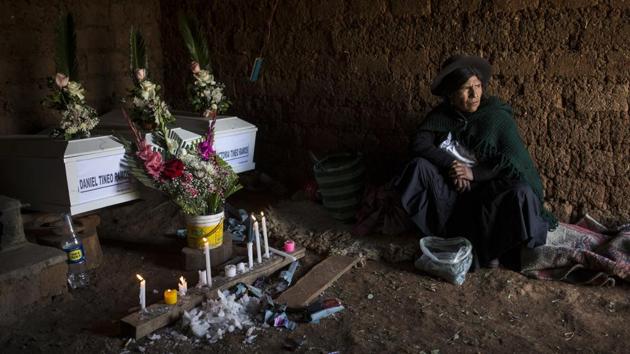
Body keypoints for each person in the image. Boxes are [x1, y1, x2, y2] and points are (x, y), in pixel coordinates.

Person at [395, 55, 557, 269]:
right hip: (452, 189)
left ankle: (499, 248)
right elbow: (419, 144)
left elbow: (510, 160)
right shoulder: (441, 116)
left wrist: (473, 174)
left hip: (487, 189)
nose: (474, 94)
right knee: (418, 166)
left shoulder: (495, 116)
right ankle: (439, 235)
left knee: (520, 191)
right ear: (451, 95)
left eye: (478, 86)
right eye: (465, 88)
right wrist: (453, 167)